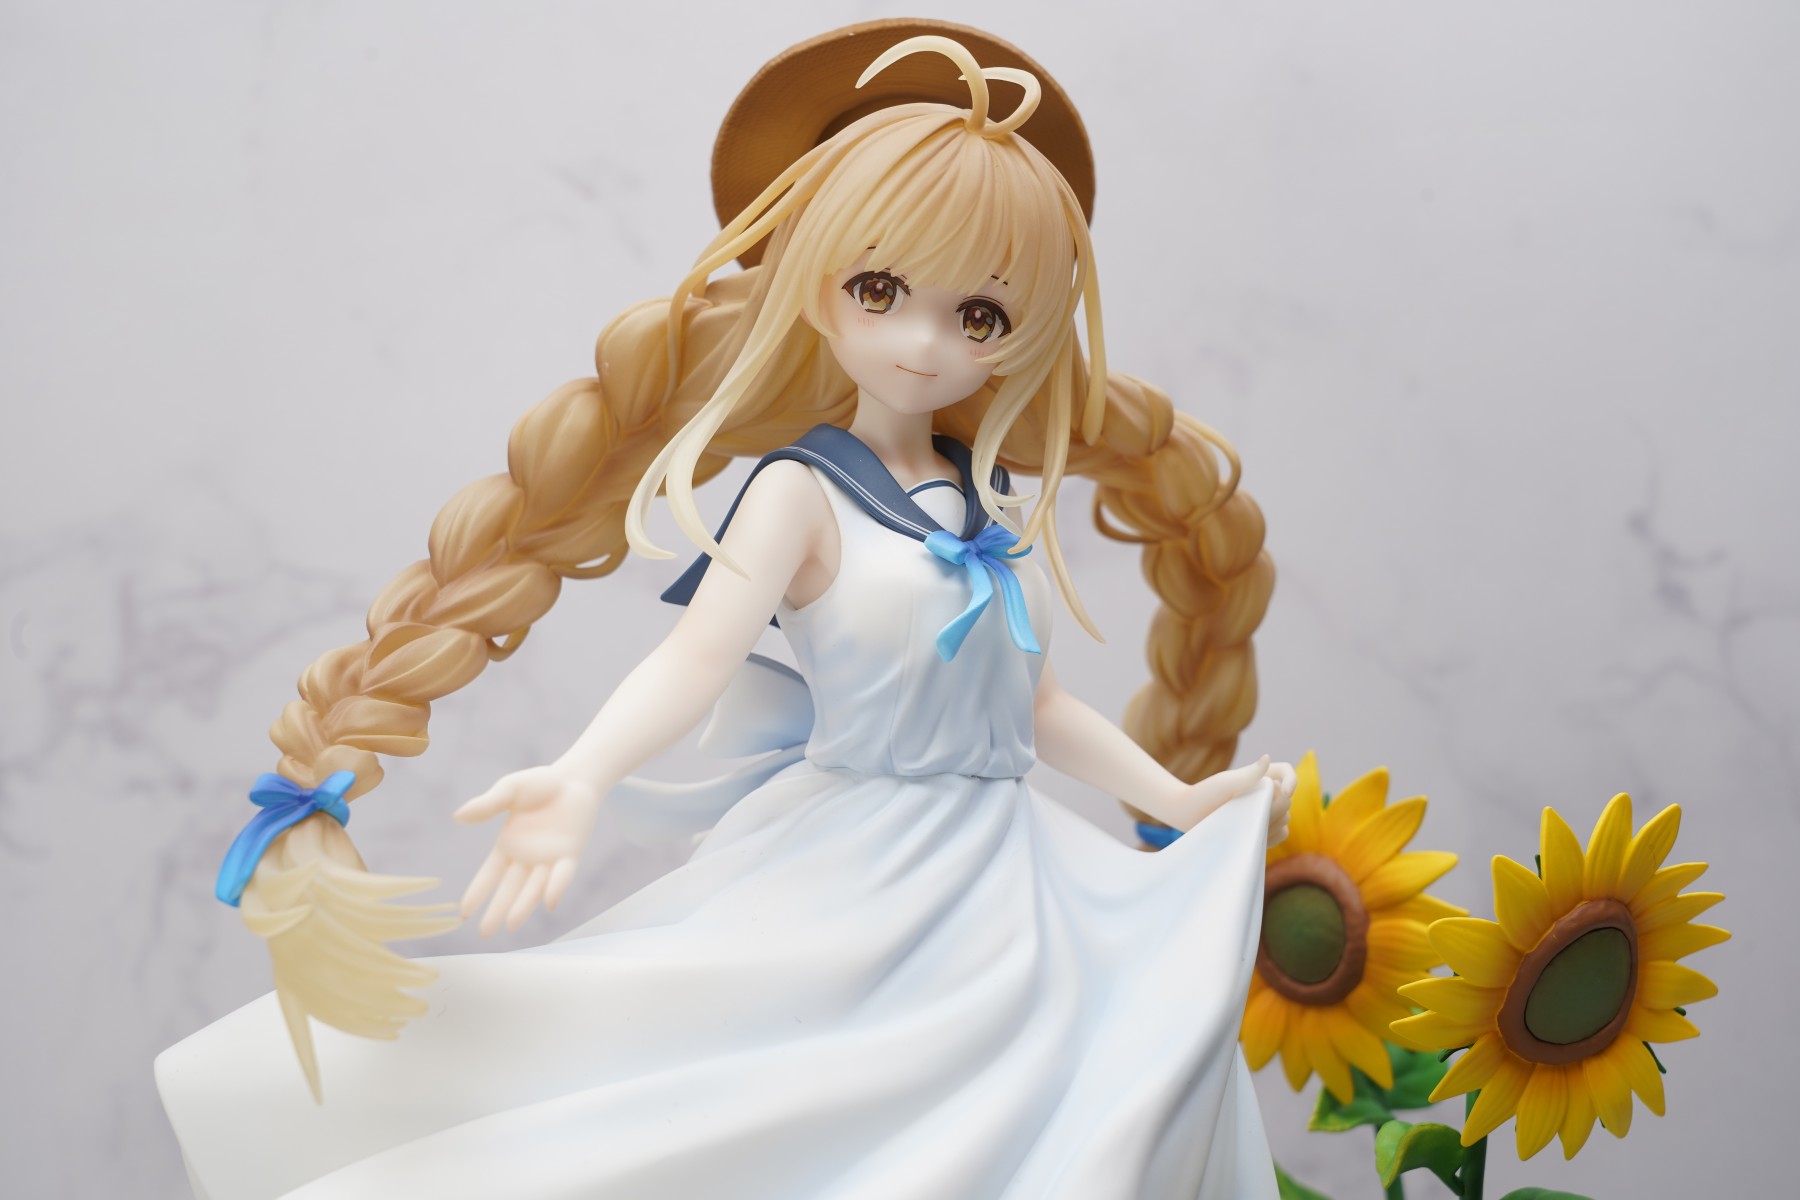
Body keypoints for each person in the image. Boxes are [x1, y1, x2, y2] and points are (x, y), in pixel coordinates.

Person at [157, 21, 1296, 1199]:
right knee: (759, 1109)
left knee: (1062, 1101)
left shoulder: (990, 496)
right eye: (880, 290)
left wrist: (1174, 801)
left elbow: (1038, 704)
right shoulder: (802, 493)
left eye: (979, 316)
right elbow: (694, 660)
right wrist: (584, 776)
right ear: (817, 286)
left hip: (1007, 880)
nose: (922, 342)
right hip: (853, 871)